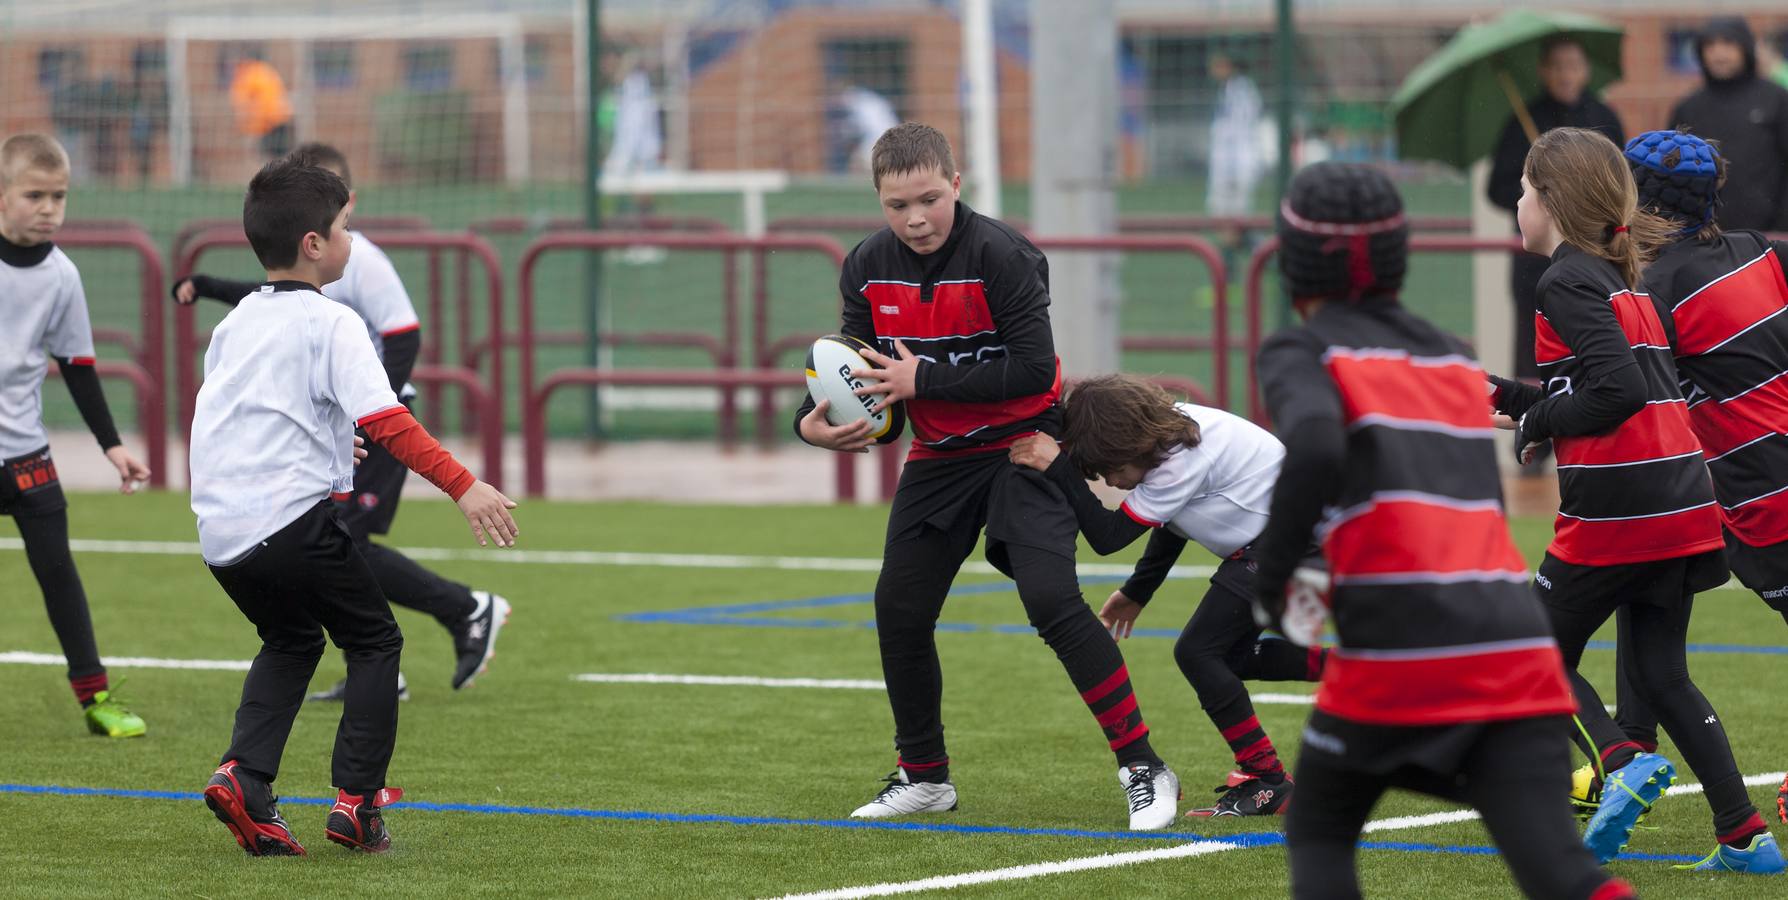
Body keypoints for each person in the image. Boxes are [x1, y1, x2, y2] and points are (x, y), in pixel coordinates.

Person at [1254, 160, 1625, 899]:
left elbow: (1321, 448)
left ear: (1292, 264)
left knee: (1320, 829)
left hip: (1402, 641)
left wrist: (1273, 581)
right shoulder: (1450, 353)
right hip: (1515, 645)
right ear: (1400, 258)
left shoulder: (1302, 350)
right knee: (1560, 872)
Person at [795, 122, 1179, 829]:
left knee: (1051, 601)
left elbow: (1035, 368)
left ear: (957, 184)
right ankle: (925, 776)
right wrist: (811, 422)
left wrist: (923, 376)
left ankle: (1143, 765)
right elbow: (857, 368)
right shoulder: (866, 265)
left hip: (1023, 448)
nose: (914, 219)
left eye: (929, 199)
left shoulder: (1004, 253)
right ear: (877, 200)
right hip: (940, 459)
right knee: (899, 611)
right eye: (895, 204)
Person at [192, 158, 518, 856]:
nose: (352, 239)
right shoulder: (333, 321)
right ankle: (358, 804)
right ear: (314, 243)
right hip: (289, 524)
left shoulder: (239, 322)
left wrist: (335, 452)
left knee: (292, 638)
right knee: (375, 641)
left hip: (222, 535)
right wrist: (467, 486)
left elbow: (238, 421)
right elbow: (393, 421)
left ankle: (244, 776)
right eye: (346, 227)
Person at [1487, 126, 1782, 873]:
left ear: (1551, 201)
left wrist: (1534, 419)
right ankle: (1744, 836)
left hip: (1641, 504)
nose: (1514, 205)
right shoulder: (1630, 279)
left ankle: (1620, 760)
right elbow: (1623, 386)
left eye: (1521, 192)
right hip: (1687, 502)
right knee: (1660, 672)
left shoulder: (1571, 280)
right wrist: (1516, 400)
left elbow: (1614, 392)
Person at [1006, 375, 1324, 818]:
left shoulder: (1180, 459)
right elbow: (1171, 522)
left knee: (1198, 653)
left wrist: (1059, 467)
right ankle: (1358, 671)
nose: (1112, 482)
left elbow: (1108, 536)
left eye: (1110, 468)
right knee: (1225, 659)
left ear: (1128, 444)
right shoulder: (1171, 436)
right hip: (1291, 541)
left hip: (1292, 545)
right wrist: (1137, 592)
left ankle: (1267, 780)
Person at [1598, 129, 1788, 850]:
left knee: (1645, 600)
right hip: (1740, 489)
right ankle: (1634, 752)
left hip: (1762, 495)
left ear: (1640, 205)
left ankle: (1632, 755)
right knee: (1646, 599)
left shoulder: (1654, 290)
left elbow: (1632, 400)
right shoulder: (1754, 248)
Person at [0, 133, 151, 739]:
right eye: (33, 194)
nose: (47, 207)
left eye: (57, 196)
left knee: (58, 571)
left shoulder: (63, 277)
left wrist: (112, 445)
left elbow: (78, 366)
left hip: (26, 458)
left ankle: (96, 698)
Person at [1486, 37, 1624, 437]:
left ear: (1586, 70)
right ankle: (1537, 435)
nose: (1566, 74)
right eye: (1557, 66)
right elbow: (1496, 189)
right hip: (1535, 260)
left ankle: (1584, 422)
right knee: (1533, 346)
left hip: (1594, 251)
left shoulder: (1604, 116)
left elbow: (1618, 183)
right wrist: (1538, 190)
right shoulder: (1522, 119)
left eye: (1573, 65)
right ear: (1545, 71)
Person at [1668, 18, 1788, 232]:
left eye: (1728, 43)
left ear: (1745, 48)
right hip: (1705, 237)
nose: (1719, 53)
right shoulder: (1688, 108)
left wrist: (1782, 226)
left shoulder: (1776, 99)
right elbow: (1671, 172)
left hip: (1769, 235)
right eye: (1710, 45)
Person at [1205, 52, 1264, 219]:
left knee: (1236, 200)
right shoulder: (1227, 88)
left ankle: (1237, 238)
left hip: (1238, 151)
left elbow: (1243, 120)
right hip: (1229, 151)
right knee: (1222, 202)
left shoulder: (1241, 88)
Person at [229, 56, 293, 161]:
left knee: (269, 155)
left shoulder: (250, 75)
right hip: (278, 117)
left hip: (268, 121)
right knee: (277, 155)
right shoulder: (264, 70)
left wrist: (249, 125)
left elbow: (245, 102)